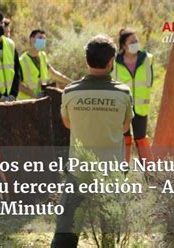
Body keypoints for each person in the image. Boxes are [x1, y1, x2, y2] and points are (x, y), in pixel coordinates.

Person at [51, 34, 133, 247]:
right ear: (111, 62)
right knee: (109, 229)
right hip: (111, 170)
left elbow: (68, 124)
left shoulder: (70, 92)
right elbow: (125, 127)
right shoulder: (123, 93)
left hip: (79, 171)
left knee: (66, 230)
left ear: (86, 61)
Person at [112, 28, 153, 163]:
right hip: (122, 108)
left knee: (141, 139)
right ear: (123, 45)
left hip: (141, 108)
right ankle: (123, 171)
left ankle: (150, 174)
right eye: (132, 42)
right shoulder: (115, 62)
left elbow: (149, 82)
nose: (135, 43)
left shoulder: (147, 59)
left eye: (136, 41)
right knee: (124, 138)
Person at [18, 29, 72, 100]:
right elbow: (18, 84)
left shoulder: (43, 56)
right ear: (31, 39)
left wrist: (71, 82)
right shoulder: (22, 60)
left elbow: (54, 73)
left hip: (40, 101)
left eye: (44, 38)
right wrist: (34, 95)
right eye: (40, 38)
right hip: (26, 103)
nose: (42, 41)